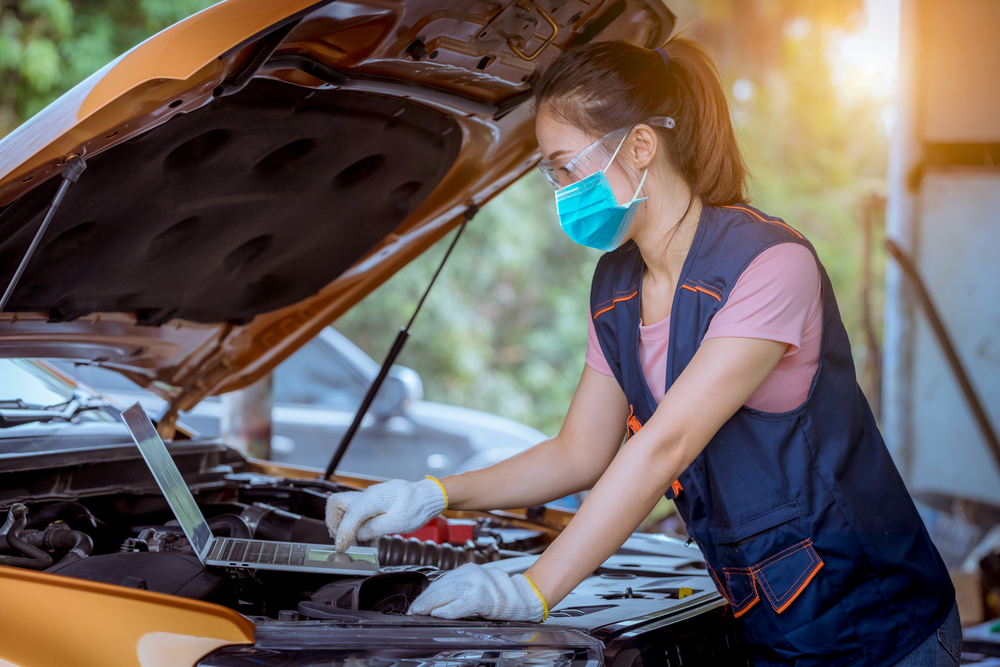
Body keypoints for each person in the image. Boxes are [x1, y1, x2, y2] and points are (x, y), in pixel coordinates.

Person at [325, 36, 961, 667]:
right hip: (774, 625)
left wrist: (531, 590)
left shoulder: (771, 266)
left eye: (565, 165)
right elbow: (578, 452)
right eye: (551, 174)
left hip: (880, 627)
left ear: (639, 146)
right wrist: (432, 493)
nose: (560, 190)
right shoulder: (616, 288)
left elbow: (664, 446)